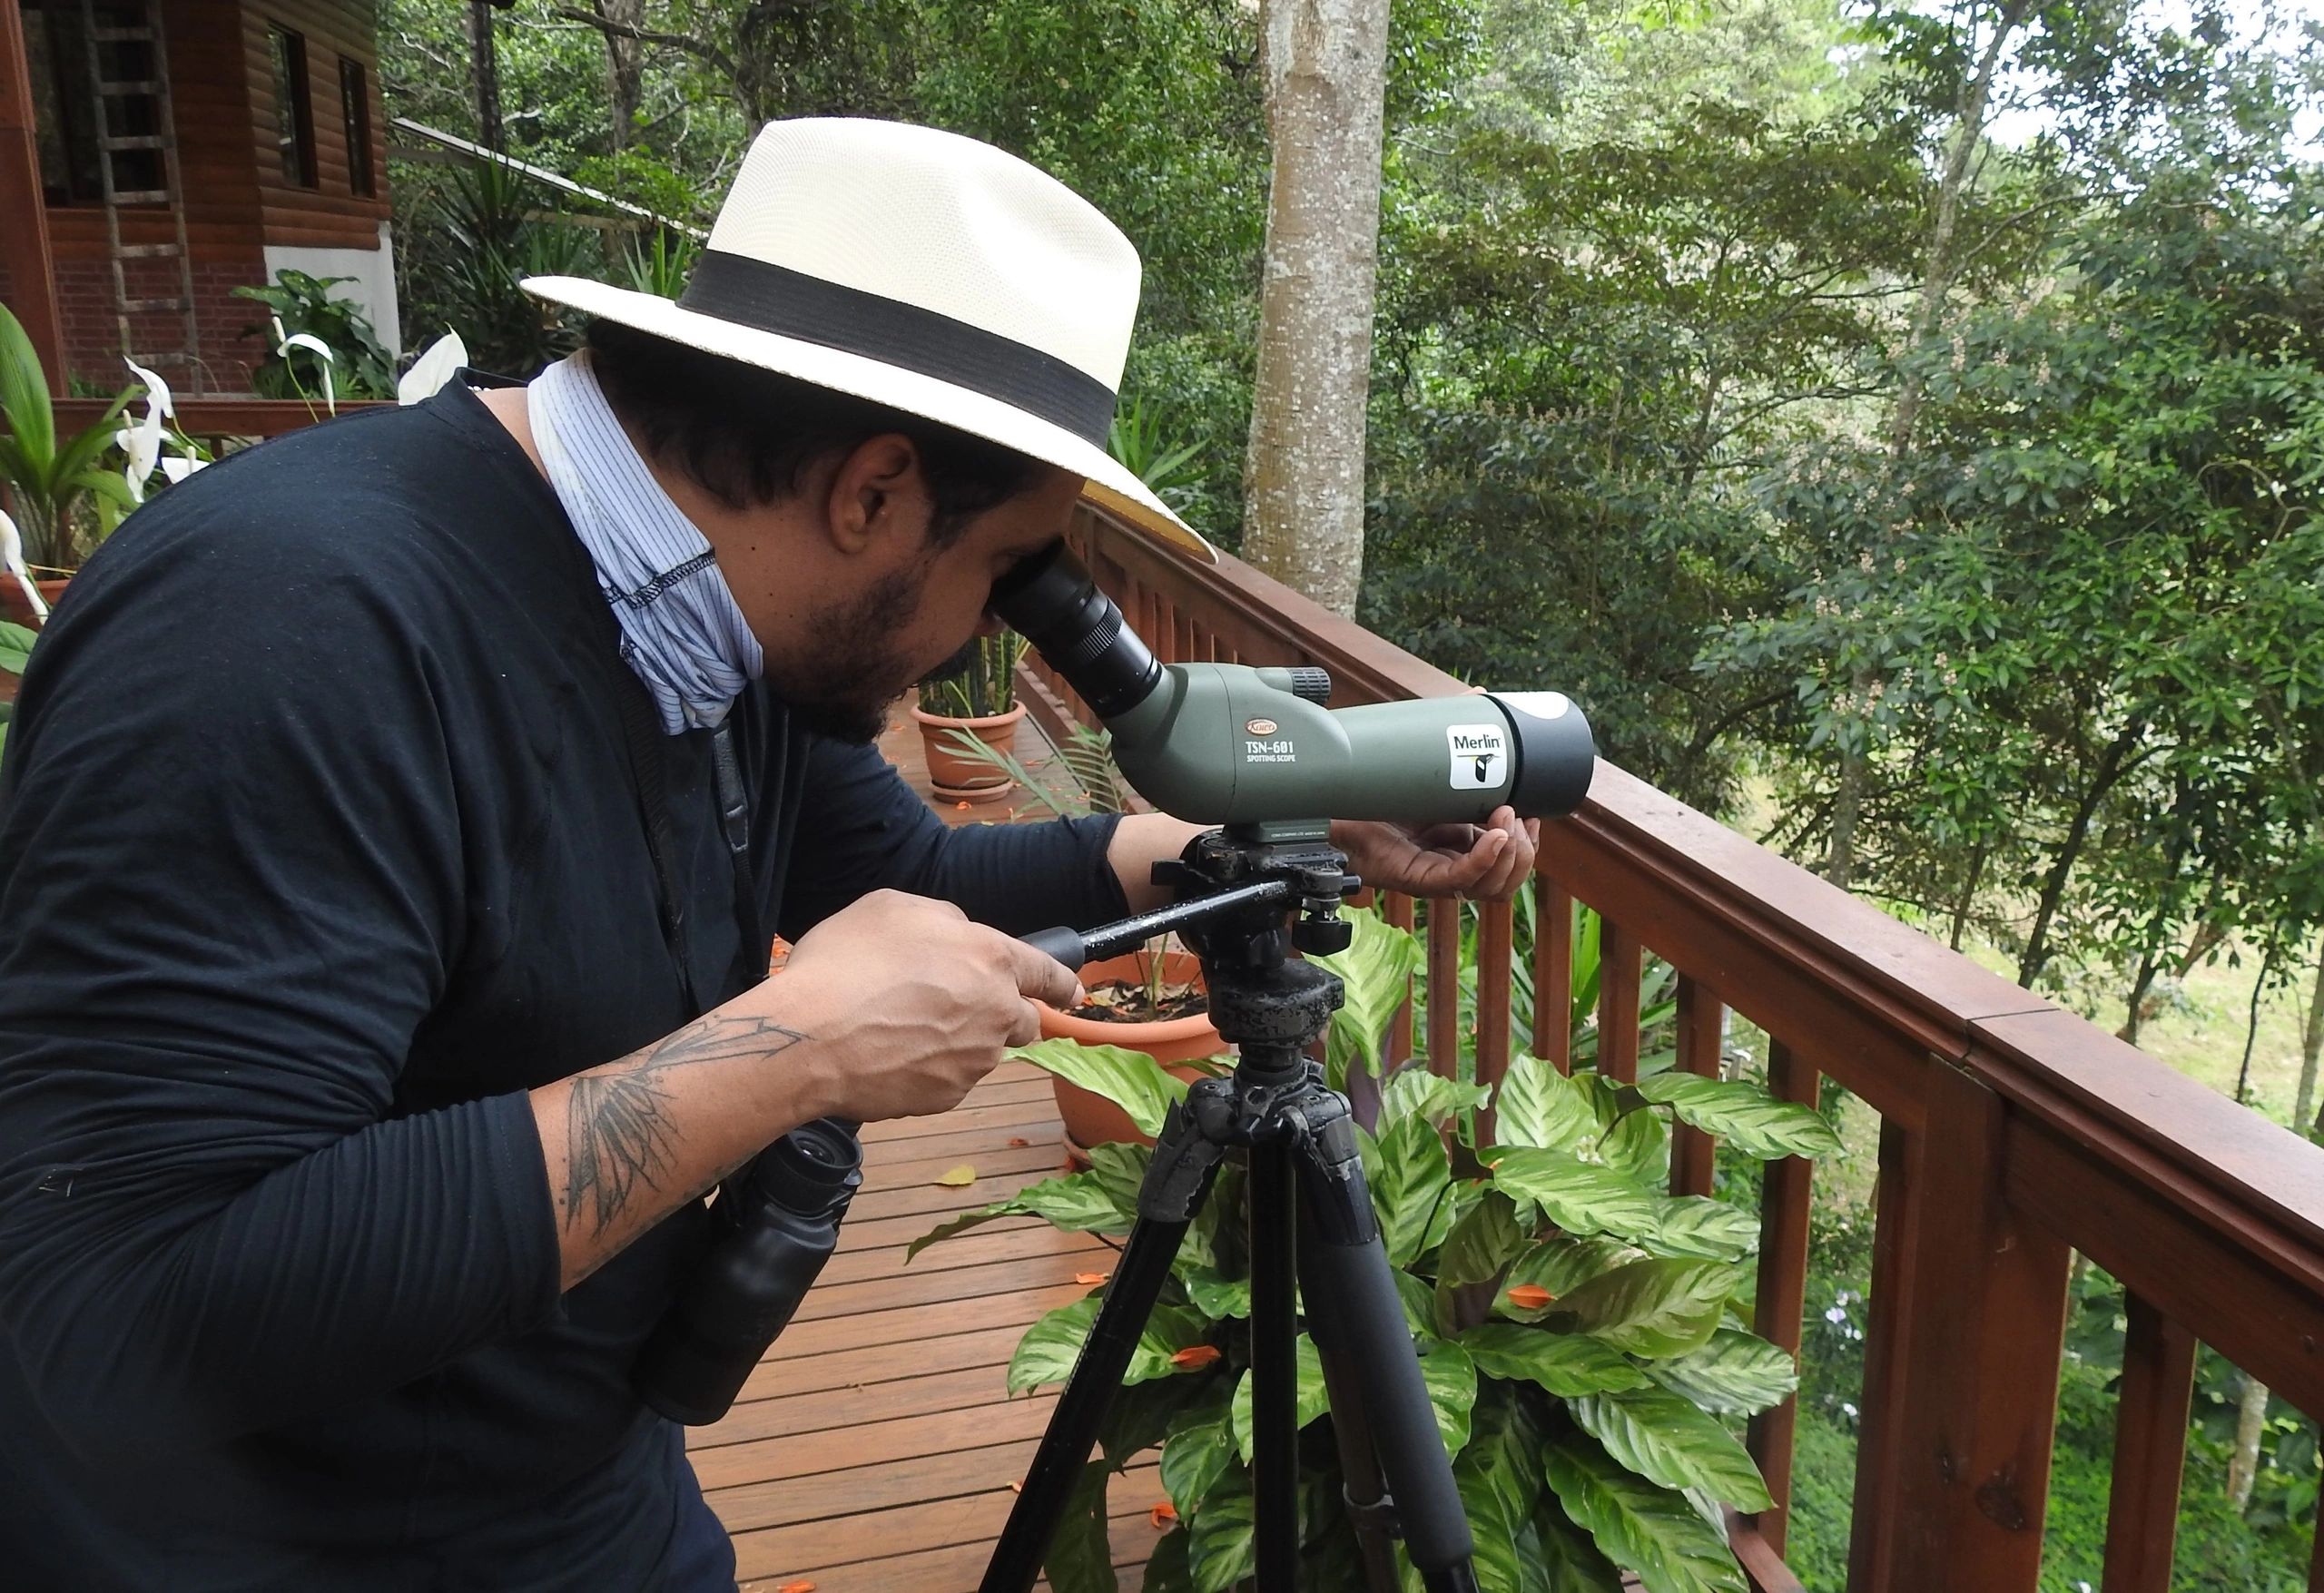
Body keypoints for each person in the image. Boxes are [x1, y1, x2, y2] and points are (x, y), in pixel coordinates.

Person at [0, 119, 1536, 1590]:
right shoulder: (282, 634)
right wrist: (791, 1053)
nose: (994, 630)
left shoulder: (701, 613)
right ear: (872, 492)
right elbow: (121, 1310)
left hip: (579, 1481)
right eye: (1006, 570)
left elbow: (909, 879)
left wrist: (1261, 827)